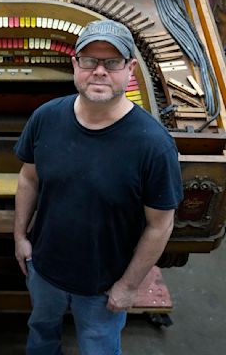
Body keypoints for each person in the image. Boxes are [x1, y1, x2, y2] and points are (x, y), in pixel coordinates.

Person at [13, 19, 183, 355]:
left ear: (130, 68)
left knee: (98, 347)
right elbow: (28, 178)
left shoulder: (154, 145)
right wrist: (20, 237)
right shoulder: (46, 118)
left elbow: (160, 225)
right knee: (41, 333)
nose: (99, 71)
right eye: (90, 61)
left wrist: (128, 286)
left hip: (104, 286)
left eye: (112, 62)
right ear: (75, 64)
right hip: (44, 269)